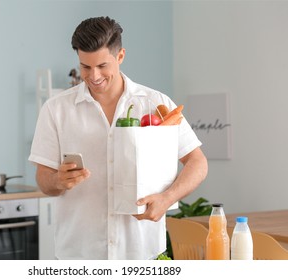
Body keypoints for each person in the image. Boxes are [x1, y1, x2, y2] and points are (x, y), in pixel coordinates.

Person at [29, 16, 208, 260]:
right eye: (85, 66)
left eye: (102, 66)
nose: (93, 76)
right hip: (78, 256)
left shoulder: (156, 103)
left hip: (142, 254)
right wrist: (58, 181)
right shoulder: (56, 109)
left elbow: (197, 162)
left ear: (120, 56)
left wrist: (167, 198)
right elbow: (43, 178)